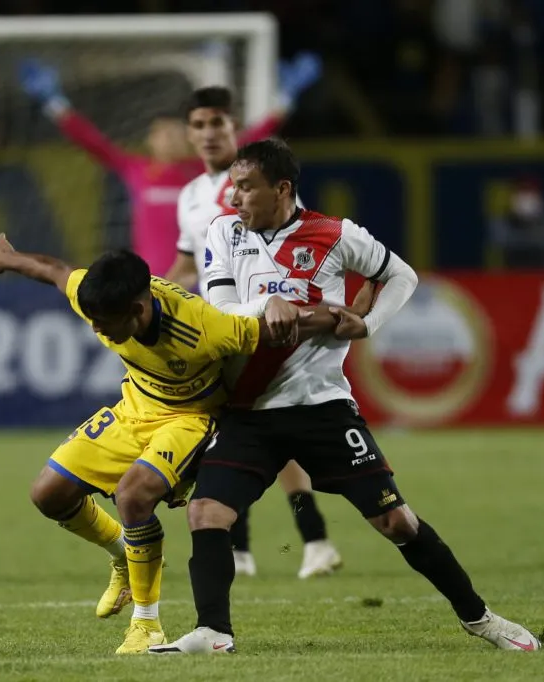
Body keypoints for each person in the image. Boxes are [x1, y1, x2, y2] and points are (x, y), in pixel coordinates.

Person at [150, 139, 541, 654]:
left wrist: (367, 323)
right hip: (249, 409)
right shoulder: (224, 230)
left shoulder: (335, 235)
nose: (235, 196)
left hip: (322, 407)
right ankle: (214, 632)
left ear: (282, 189)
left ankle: (481, 618)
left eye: (245, 187)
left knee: (395, 520)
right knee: (206, 513)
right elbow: (220, 309)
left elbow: (402, 275)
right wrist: (273, 302)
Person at [0, 231, 365, 654]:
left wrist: (335, 318)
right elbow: (56, 271)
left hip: (190, 419)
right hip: (135, 407)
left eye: (104, 322)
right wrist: (9, 259)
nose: (96, 328)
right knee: (48, 494)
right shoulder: (103, 296)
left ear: (138, 310)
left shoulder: (203, 326)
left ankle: (147, 624)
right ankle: (123, 553)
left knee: (133, 496)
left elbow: (273, 331)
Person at [166, 85, 341, 580]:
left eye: (217, 123)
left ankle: (302, 540)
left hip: (262, 326)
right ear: (189, 132)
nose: (207, 134)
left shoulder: (259, 183)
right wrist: (147, 295)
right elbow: (186, 266)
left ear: (234, 127)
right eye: (198, 125)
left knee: (258, 432)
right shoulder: (192, 195)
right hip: (214, 325)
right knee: (236, 432)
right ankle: (276, 545)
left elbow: (292, 241)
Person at [18, 54, 321, 277]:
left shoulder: (205, 171)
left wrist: (284, 101)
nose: (170, 137)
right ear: (151, 140)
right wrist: (54, 103)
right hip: (152, 287)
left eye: (176, 132)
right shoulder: (135, 169)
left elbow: (251, 140)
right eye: (162, 132)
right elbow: (92, 141)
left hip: (201, 287)